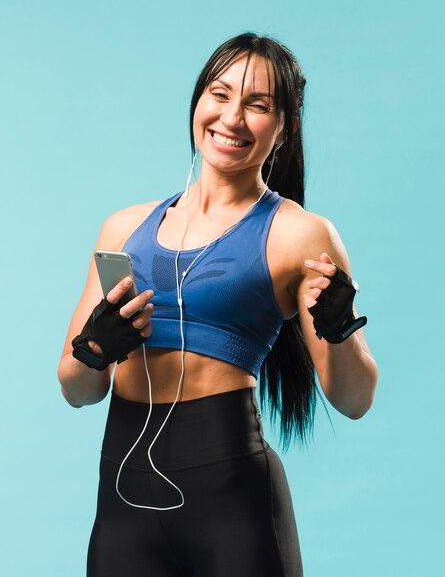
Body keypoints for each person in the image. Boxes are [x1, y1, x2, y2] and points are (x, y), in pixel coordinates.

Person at [58, 32, 379, 577]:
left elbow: (353, 399)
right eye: (220, 94)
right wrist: (95, 348)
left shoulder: (299, 234)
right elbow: (76, 390)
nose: (231, 118)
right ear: (198, 101)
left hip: (233, 505)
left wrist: (339, 329)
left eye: (258, 105)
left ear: (285, 127)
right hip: (123, 502)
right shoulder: (123, 228)